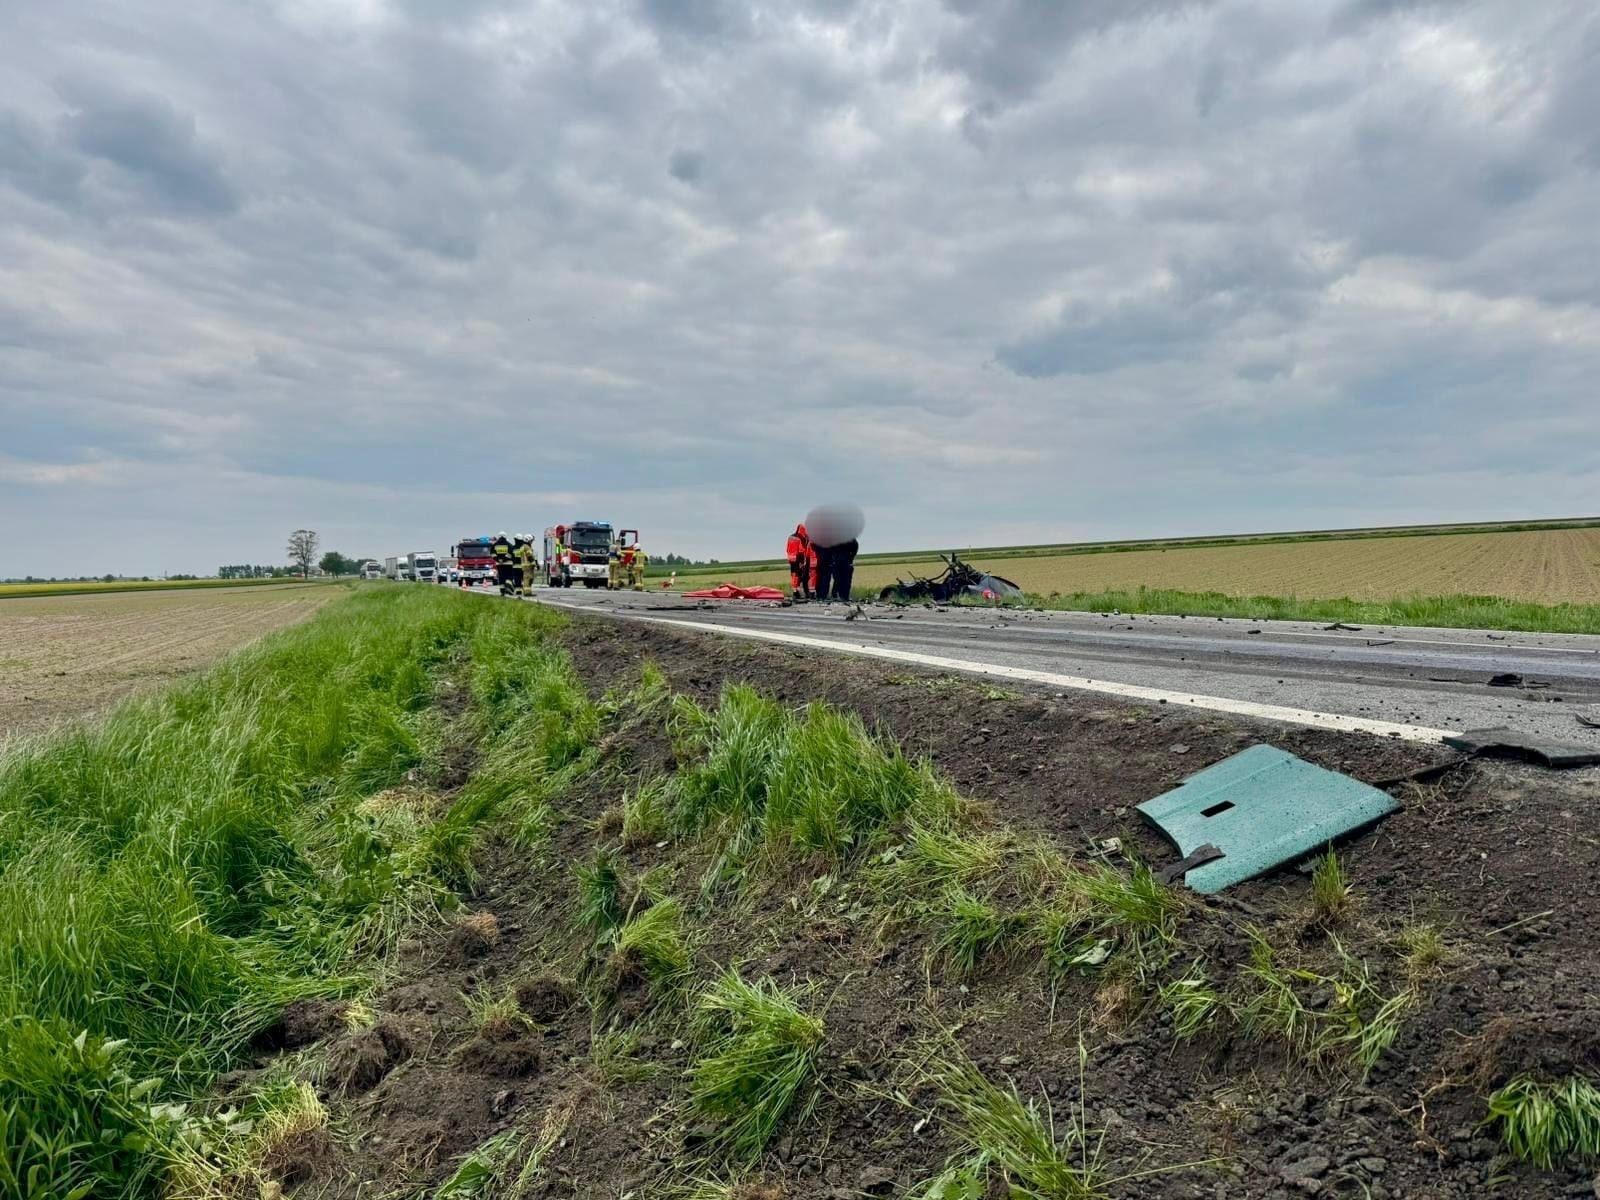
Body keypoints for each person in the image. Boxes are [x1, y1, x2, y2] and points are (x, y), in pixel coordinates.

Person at [785, 524, 817, 601]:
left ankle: (795, 592)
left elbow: (787, 548)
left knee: (794, 575)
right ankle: (800, 593)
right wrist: (802, 562)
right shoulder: (801, 538)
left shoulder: (791, 537)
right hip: (798, 559)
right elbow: (802, 551)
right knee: (799, 576)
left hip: (791, 559)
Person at [830, 537, 858, 602]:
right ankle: (839, 596)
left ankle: (842, 596)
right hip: (841, 561)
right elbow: (855, 547)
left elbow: (855, 547)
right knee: (840, 579)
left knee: (843, 580)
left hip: (842, 561)